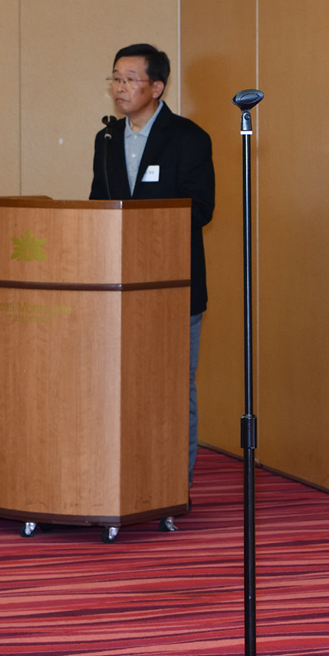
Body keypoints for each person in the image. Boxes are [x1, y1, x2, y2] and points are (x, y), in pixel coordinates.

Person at [91, 43, 215, 488]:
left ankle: (172, 484)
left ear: (157, 87)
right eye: (115, 78)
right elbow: (97, 205)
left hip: (172, 286)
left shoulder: (189, 138)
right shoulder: (107, 139)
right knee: (120, 386)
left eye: (130, 79)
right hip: (116, 287)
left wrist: (143, 227)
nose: (119, 88)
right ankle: (123, 481)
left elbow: (201, 208)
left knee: (173, 387)